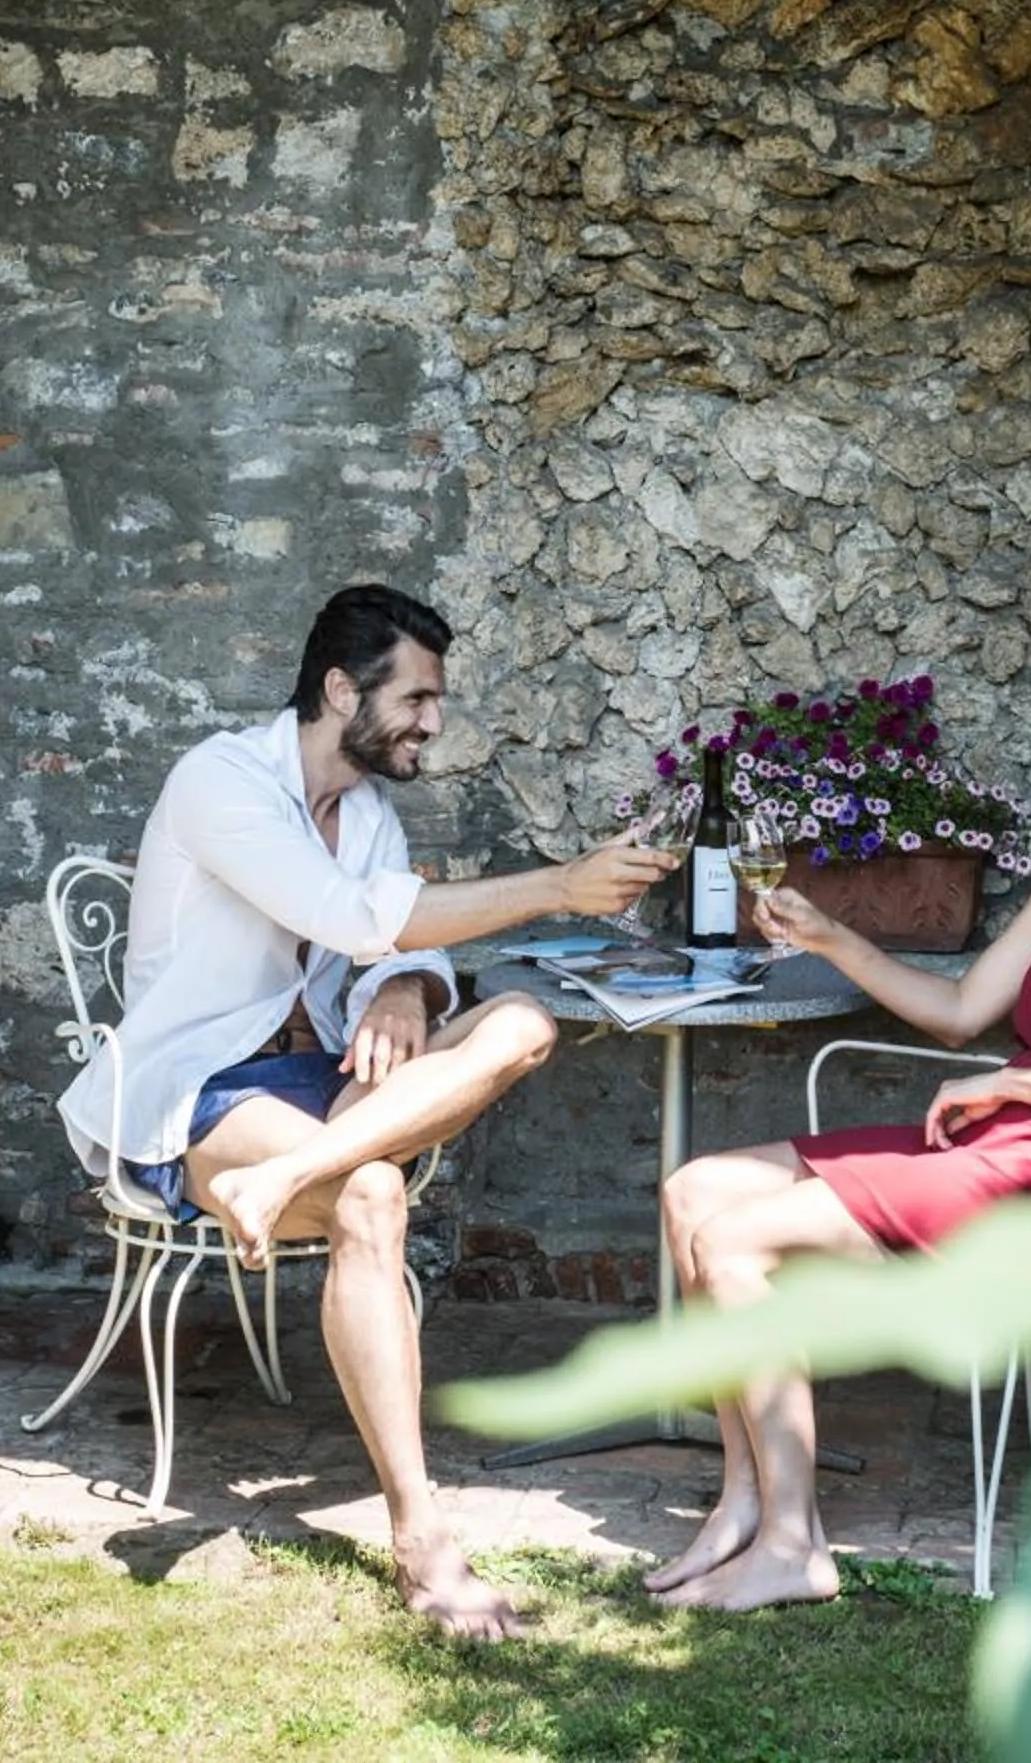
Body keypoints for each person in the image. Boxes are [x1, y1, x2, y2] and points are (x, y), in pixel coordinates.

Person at [56, 583, 674, 1640]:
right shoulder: (221, 780)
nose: (433, 722)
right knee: (376, 1195)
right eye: (418, 698)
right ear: (342, 689)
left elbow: (403, 938)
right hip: (203, 1094)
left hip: (320, 1095)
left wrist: (407, 988)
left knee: (523, 1018)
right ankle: (420, 1535)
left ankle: (287, 1177)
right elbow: (348, 915)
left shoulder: (372, 815)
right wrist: (561, 888)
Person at [652, 629, 1031, 1611]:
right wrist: (831, 935)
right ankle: (742, 1499)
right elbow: (959, 1009)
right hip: (1002, 1145)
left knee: (736, 1242)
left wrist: (1010, 1089)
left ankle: (791, 1540)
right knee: (693, 1191)